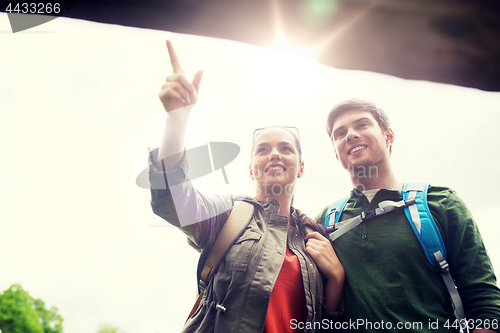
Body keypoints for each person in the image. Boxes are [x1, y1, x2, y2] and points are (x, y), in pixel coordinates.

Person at [148, 40, 345, 332]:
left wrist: (337, 279)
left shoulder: (315, 237)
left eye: (285, 149)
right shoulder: (227, 214)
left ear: (301, 167)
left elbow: (329, 324)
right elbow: (171, 198)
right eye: (263, 149)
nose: (275, 154)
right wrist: (177, 120)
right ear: (251, 167)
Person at [315, 98, 500, 333]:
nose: (350, 135)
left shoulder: (441, 203)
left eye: (362, 125)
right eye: (340, 133)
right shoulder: (323, 223)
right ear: (336, 153)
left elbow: (483, 300)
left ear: (388, 136)